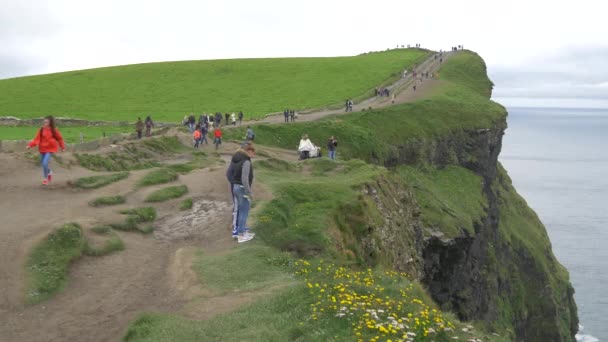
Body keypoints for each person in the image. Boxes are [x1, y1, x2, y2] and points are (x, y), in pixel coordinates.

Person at [26, 115, 65, 185]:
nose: (45, 123)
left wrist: (62, 147)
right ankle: (49, 172)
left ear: (50, 123)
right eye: (44, 122)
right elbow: (36, 139)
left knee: (44, 163)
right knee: (43, 164)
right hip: (42, 148)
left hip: (50, 149)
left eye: (46, 122)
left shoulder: (54, 130)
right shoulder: (41, 130)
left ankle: (45, 179)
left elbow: (60, 139)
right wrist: (30, 145)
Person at [229, 144, 256, 242]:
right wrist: (250, 192)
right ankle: (241, 235)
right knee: (244, 211)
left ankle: (242, 231)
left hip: (236, 186)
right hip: (242, 188)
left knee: (241, 210)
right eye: (253, 152)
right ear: (248, 151)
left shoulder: (237, 159)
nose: (254, 154)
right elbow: (244, 179)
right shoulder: (246, 161)